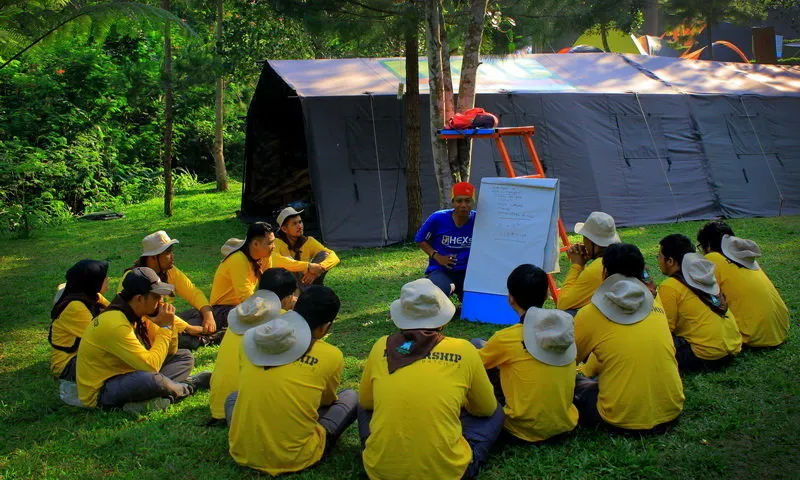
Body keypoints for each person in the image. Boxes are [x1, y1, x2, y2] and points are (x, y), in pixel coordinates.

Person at [359, 278, 503, 480]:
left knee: (361, 404)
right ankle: (465, 453)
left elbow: (366, 402)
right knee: (496, 412)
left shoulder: (380, 346)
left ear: (401, 317)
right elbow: (485, 408)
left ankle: (381, 450)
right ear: (443, 319)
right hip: (449, 473)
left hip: (379, 472)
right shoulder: (464, 350)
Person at [227, 286, 358, 475]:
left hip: (243, 452)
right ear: (324, 328)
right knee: (350, 396)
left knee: (234, 397)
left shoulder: (252, 339)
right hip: (298, 457)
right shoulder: (331, 355)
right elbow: (327, 402)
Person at [573, 243, 684, 433]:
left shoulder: (590, 313)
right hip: (671, 410)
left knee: (573, 387)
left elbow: (566, 360)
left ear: (605, 272)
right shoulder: (656, 302)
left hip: (619, 419)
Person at [76, 267, 209, 411]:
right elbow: (151, 367)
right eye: (156, 296)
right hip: (102, 390)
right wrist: (164, 329)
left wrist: (170, 326)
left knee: (183, 357)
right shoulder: (115, 322)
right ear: (139, 298)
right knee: (152, 379)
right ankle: (186, 387)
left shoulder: (139, 313)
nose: (161, 301)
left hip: (131, 373)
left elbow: (171, 351)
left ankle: (161, 394)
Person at [473, 264, 578, 444]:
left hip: (520, 430)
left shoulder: (506, 338)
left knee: (476, 344)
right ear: (546, 295)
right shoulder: (566, 331)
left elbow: (473, 366)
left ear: (511, 298)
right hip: (565, 424)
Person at [208, 268, 296, 423]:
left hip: (219, 407)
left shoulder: (239, 314)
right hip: (246, 411)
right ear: (287, 298)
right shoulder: (282, 322)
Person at [119, 230, 219, 349]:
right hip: (145, 328)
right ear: (153, 258)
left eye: (171, 251)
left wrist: (208, 315)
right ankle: (205, 338)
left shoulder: (169, 271)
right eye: (167, 252)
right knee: (187, 341)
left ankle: (200, 334)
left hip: (166, 320)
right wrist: (187, 328)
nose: (172, 256)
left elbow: (192, 291)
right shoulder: (135, 277)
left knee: (197, 313)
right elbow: (151, 314)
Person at [696, 221, 789, 348]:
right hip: (781, 329)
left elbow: (705, 297)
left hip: (751, 335)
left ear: (708, 245)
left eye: (701, 247)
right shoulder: (746, 258)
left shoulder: (712, 259)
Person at [656, 234, 742, 371]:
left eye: (659, 256)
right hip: (734, 347)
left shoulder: (670, 286)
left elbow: (665, 329)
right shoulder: (704, 275)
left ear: (670, 261)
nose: (658, 261)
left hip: (705, 356)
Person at [49, 260, 110, 381]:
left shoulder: (92, 295)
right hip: (67, 363)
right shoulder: (75, 307)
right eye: (104, 277)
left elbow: (114, 312)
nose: (108, 279)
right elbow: (101, 337)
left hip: (84, 354)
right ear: (93, 282)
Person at [415, 182, 477, 300]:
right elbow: (420, 239)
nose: (463, 205)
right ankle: (431, 284)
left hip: (469, 272)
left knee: (476, 301)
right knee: (437, 294)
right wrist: (437, 256)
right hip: (441, 270)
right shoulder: (438, 218)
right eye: (459, 201)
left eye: (468, 201)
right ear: (453, 202)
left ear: (473, 202)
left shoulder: (479, 220)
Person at [208, 222, 276, 328]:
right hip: (223, 310)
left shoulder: (266, 256)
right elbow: (245, 296)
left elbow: (269, 285)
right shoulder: (238, 259)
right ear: (255, 244)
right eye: (270, 243)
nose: (273, 247)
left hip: (245, 306)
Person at [557, 211, 621, 313]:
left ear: (593, 242)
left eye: (585, 238)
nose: (583, 243)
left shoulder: (598, 267)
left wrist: (576, 265)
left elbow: (563, 303)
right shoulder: (623, 256)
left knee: (567, 313)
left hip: (612, 319)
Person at [273, 206, 340, 289]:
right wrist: (307, 266)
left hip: (306, 281)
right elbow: (277, 261)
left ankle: (310, 290)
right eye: (294, 223)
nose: (299, 226)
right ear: (284, 229)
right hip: (286, 285)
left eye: (300, 222)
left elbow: (334, 257)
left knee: (324, 255)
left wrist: (318, 269)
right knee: (288, 260)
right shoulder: (276, 243)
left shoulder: (308, 241)